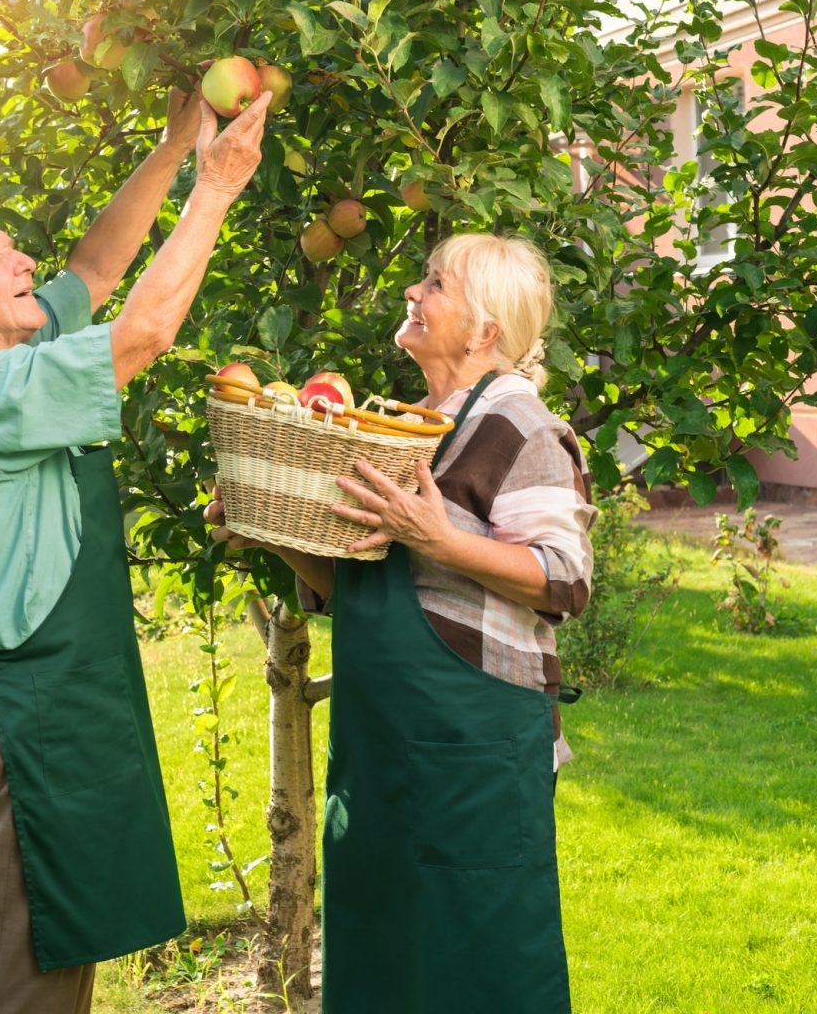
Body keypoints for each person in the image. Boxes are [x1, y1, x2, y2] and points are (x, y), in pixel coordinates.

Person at [0, 86, 270, 1014]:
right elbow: (140, 330)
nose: (22, 258)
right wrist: (214, 189)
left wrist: (178, 143)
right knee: (17, 978)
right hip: (25, 708)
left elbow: (98, 269)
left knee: (64, 961)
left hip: (60, 695)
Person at [206, 232, 596, 1013]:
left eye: (435, 285)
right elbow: (347, 580)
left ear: (485, 330)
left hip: (474, 751)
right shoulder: (408, 423)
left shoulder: (518, 425)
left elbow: (566, 577)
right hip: (381, 742)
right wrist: (268, 529)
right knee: (379, 945)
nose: (413, 295)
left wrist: (440, 537)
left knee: (480, 960)